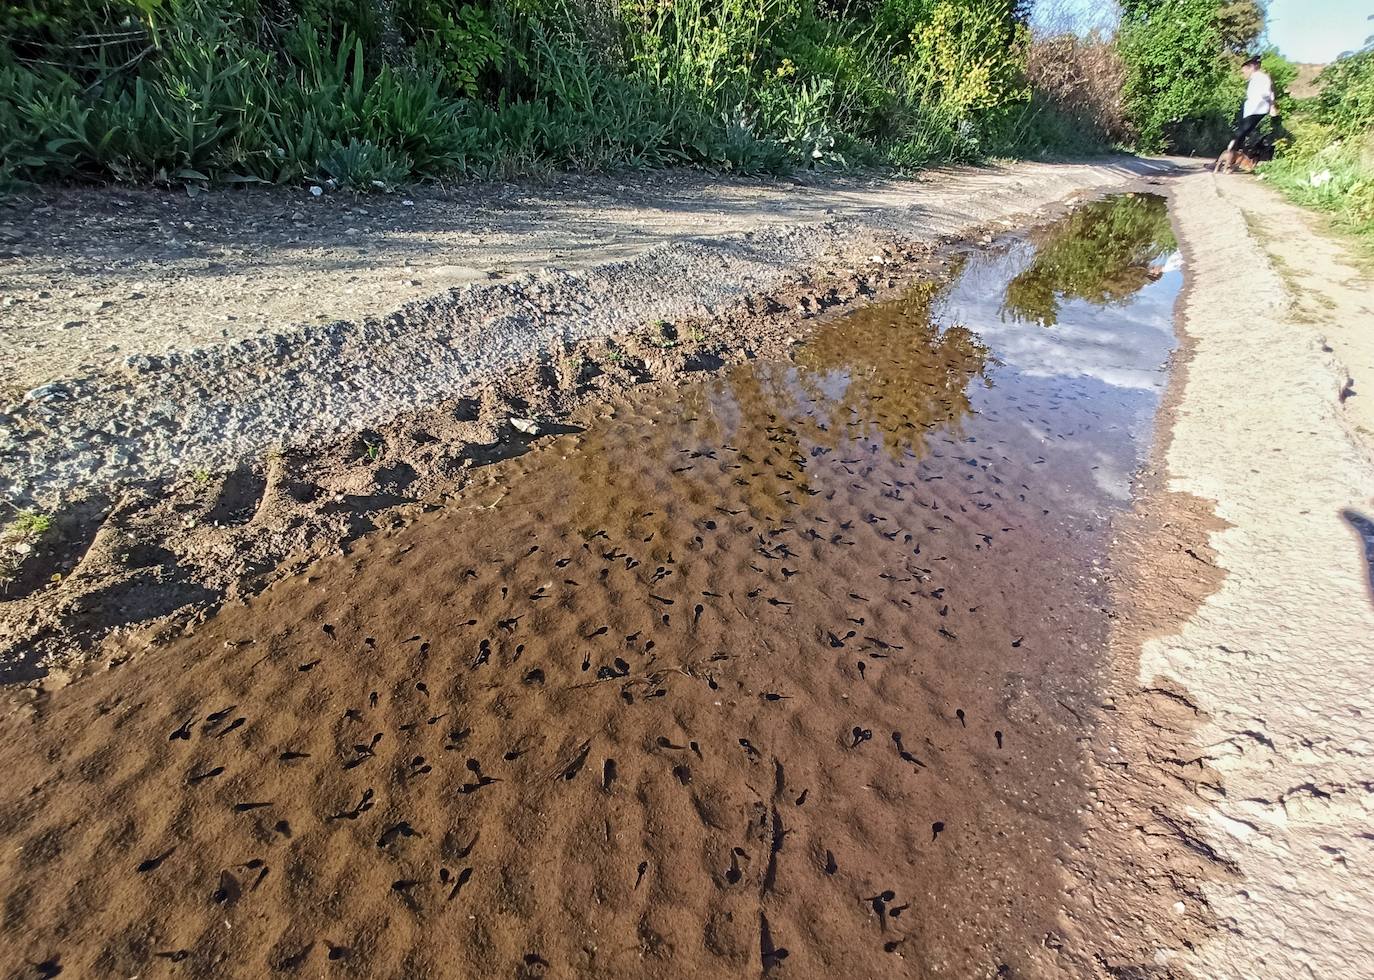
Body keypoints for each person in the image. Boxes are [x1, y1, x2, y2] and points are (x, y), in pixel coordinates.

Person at [1216, 56, 1277, 172]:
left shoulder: (1261, 78)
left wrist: (1272, 106)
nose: (1243, 74)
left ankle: (1226, 164)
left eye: (1244, 71)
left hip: (1256, 111)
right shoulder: (1255, 78)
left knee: (1238, 136)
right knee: (1239, 136)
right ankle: (1227, 163)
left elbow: (1268, 93)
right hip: (1251, 111)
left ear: (1252, 67)